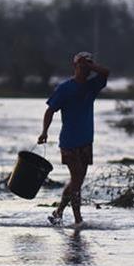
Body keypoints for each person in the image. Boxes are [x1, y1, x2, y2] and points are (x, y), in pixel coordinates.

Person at [38, 52, 110, 230]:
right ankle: (78, 220)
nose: (84, 70)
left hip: (86, 141)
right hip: (69, 141)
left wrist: (90, 65)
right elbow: (50, 111)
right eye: (80, 66)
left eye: (87, 68)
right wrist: (44, 131)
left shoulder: (92, 86)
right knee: (77, 179)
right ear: (74, 67)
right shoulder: (65, 88)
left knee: (77, 180)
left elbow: (106, 73)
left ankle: (58, 212)